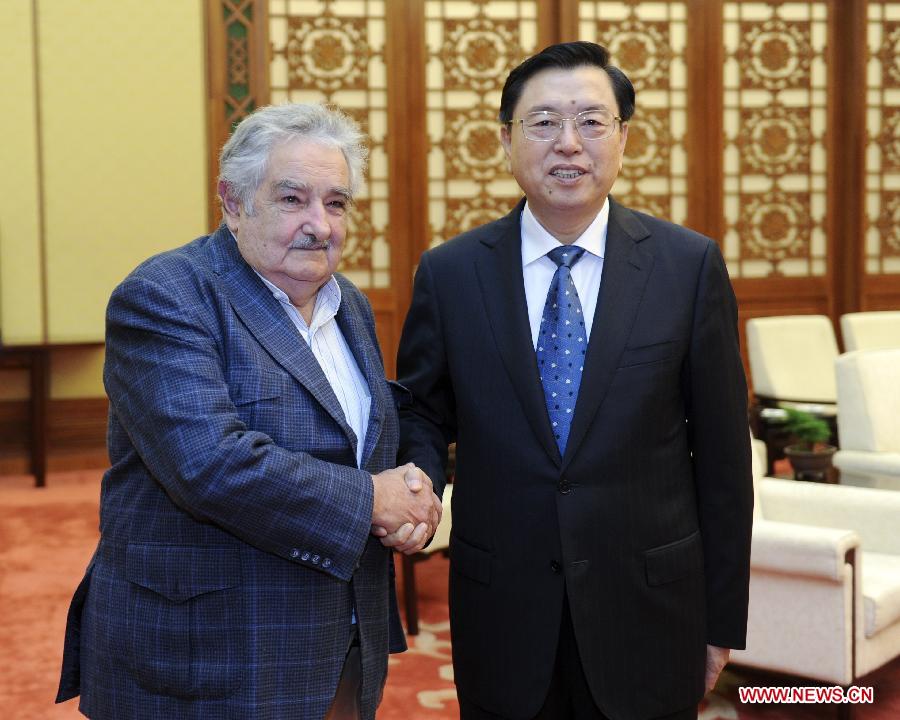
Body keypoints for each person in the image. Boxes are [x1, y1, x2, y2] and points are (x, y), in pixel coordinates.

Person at [395, 41, 753, 720]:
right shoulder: (450, 274)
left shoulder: (688, 267)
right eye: (543, 122)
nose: (569, 143)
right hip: (502, 613)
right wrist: (415, 477)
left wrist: (720, 623)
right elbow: (421, 410)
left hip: (651, 611)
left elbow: (725, 464)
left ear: (623, 138)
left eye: (592, 121)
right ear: (506, 139)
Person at [56, 103, 441, 720]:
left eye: (336, 203)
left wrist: (415, 488)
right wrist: (373, 499)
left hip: (340, 644)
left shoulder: (350, 307)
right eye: (293, 199)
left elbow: (366, 435)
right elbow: (209, 463)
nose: (319, 224)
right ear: (233, 202)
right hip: (209, 658)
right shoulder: (166, 296)